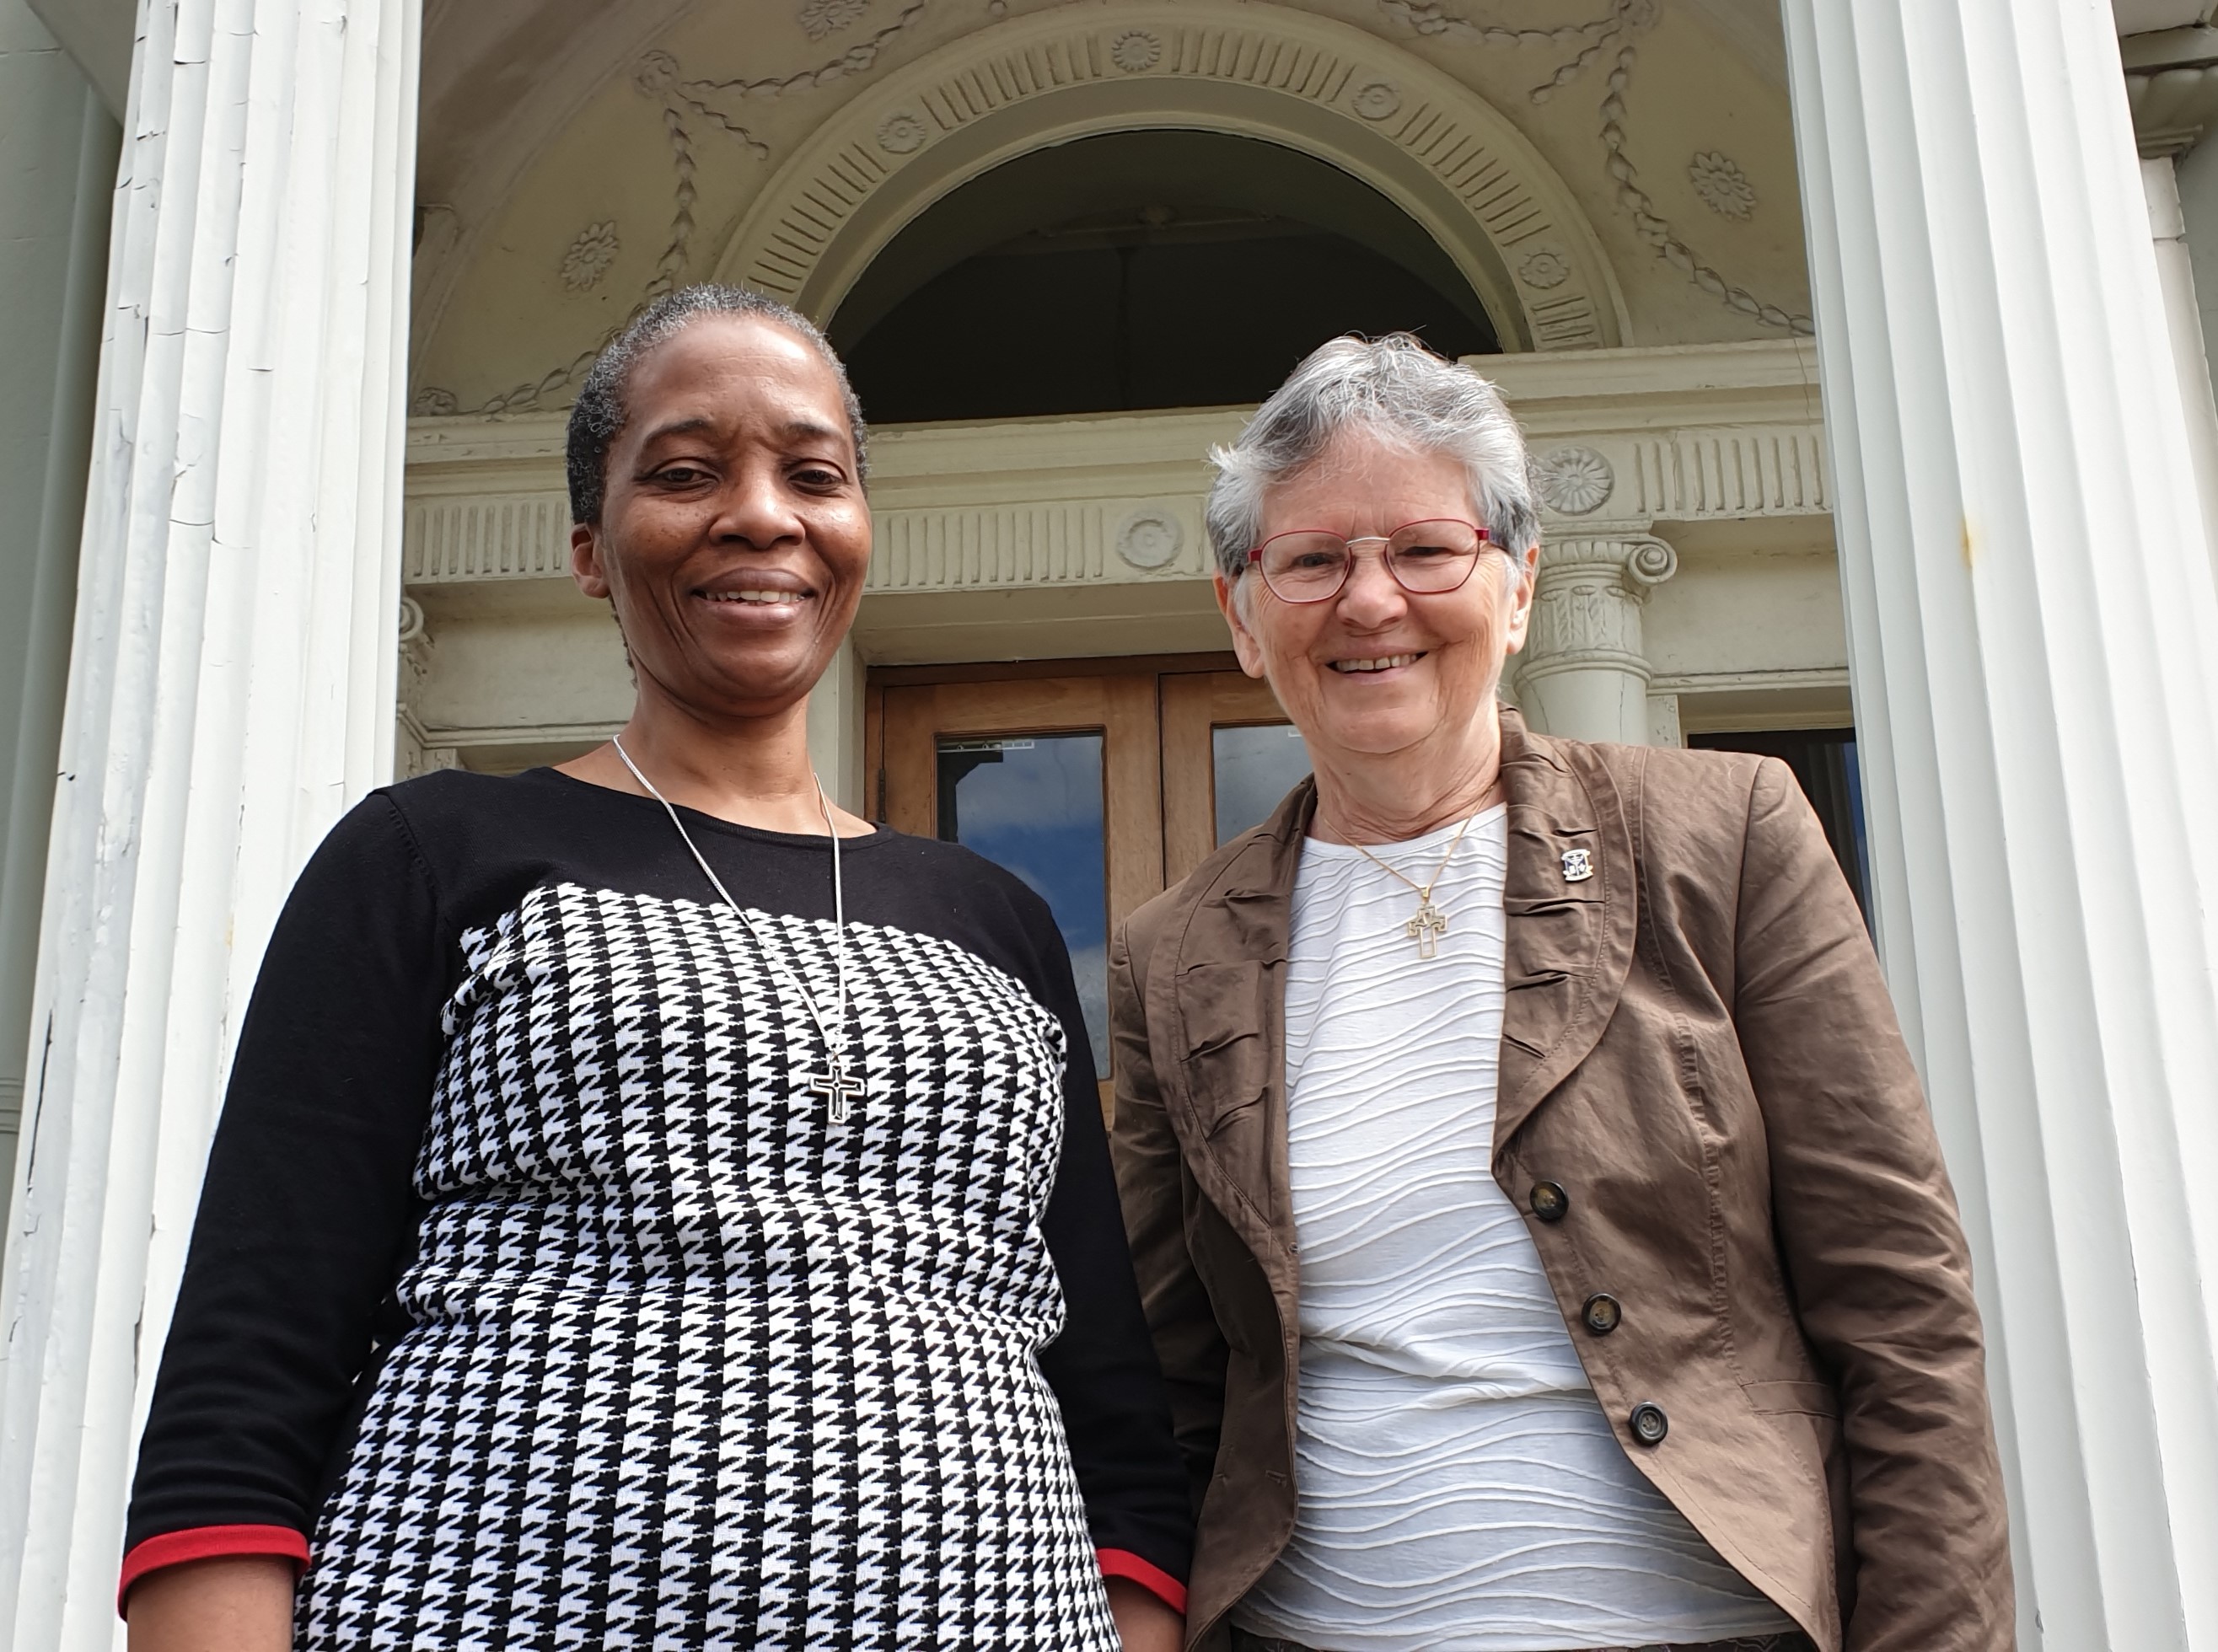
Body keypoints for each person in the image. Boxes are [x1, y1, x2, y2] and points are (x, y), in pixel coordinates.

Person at [121, 284, 1190, 1651]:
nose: (761, 514)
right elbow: (247, 1370)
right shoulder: (433, 852)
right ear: (589, 546)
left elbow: (1105, 1390)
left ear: (860, 530)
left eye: (814, 474)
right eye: (687, 473)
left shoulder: (994, 917)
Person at [1109, 334, 2011, 1652]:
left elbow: (1902, 1307)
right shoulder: (1171, 952)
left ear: (1518, 588)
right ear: (1244, 617)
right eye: (1311, 561)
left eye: (1426, 547)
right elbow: (1173, 1386)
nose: (1370, 601)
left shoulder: (1725, 830)